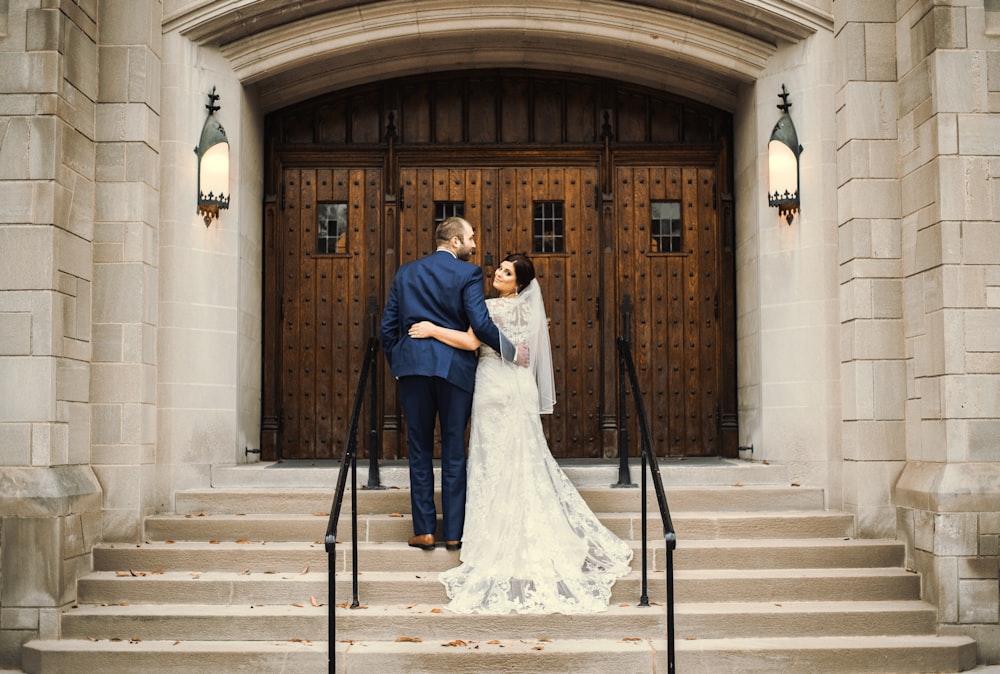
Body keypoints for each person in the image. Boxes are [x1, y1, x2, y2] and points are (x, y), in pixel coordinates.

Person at [408, 253, 633, 614]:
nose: (498, 273)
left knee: (491, 460)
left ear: (520, 284)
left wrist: (431, 329)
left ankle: (488, 539)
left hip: (494, 388)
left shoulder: (487, 307)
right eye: (500, 268)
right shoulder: (529, 313)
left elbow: (471, 342)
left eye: (507, 272)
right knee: (523, 460)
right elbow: (523, 353)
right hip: (520, 387)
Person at [380, 217, 523, 552]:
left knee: (419, 450)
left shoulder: (406, 272)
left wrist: (399, 363)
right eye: (471, 238)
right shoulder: (468, 274)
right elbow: (480, 322)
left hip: (413, 368)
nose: (475, 244)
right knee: (454, 449)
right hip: (455, 371)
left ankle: (426, 530)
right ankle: (454, 533)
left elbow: (388, 328)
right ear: (456, 241)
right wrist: (513, 352)